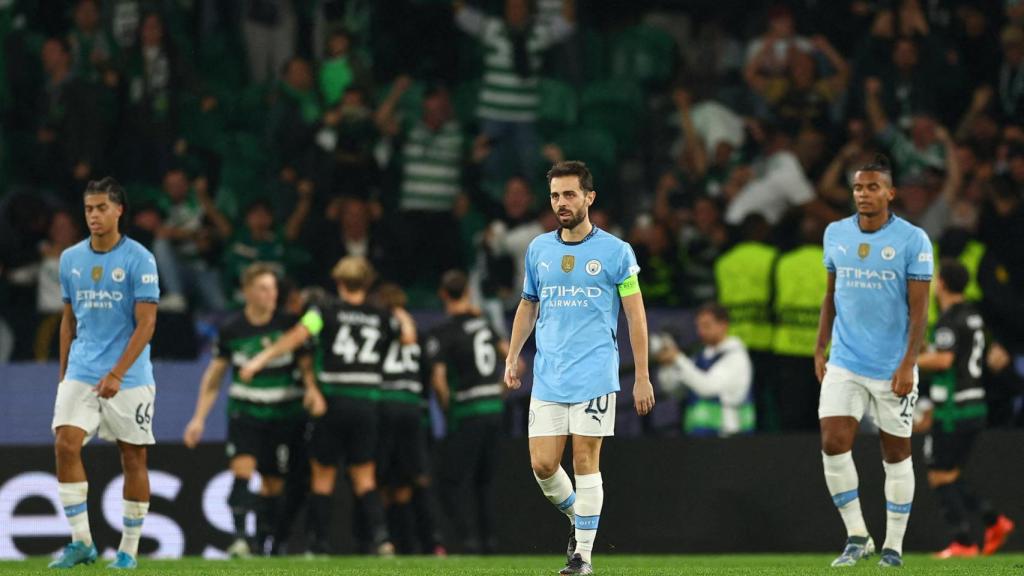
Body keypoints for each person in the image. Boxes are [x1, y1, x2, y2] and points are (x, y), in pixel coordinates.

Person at [505, 161, 655, 575]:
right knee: (542, 465)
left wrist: (641, 376)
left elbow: (635, 316)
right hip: (549, 372)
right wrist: (514, 354)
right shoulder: (539, 249)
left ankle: (582, 557)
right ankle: (578, 519)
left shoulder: (616, 252)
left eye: (570, 194)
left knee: (585, 460)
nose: (561, 203)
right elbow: (528, 304)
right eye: (555, 195)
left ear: (590, 197)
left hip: (594, 372)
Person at [240, 256, 414, 556]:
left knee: (322, 477)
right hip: (368, 403)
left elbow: (299, 335)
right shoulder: (381, 315)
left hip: (332, 401)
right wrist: (395, 310)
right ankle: (382, 540)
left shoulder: (325, 310)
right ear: (368, 282)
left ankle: (318, 545)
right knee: (365, 477)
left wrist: (260, 359)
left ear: (338, 281)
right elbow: (409, 338)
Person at [815, 154, 933, 568]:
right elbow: (831, 295)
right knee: (832, 442)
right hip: (845, 359)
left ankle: (894, 546)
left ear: (890, 193)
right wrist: (819, 347)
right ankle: (857, 536)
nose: (863, 194)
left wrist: (908, 363)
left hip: (892, 365)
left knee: (896, 453)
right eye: (858, 188)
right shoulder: (835, 234)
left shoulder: (913, 240)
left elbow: (919, 311)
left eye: (872, 187)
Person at [50, 177, 160, 569]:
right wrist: (64, 374)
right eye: (88, 209)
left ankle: (128, 549)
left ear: (118, 211)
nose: (93, 216)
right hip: (82, 369)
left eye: (100, 208)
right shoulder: (70, 259)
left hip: (129, 377)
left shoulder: (140, 259)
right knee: (65, 443)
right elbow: (68, 322)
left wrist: (117, 373)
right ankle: (82, 542)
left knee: (133, 457)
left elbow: (146, 324)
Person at [183, 263, 323, 557]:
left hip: (285, 413)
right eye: (262, 288)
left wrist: (311, 389)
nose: (270, 294)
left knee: (273, 484)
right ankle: (239, 538)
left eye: (272, 288)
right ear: (247, 292)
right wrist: (198, 418)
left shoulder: (289, 324)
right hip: (246, 411)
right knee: (242, 470)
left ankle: (262, 542)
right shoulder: (232, 329)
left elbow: (306, 364)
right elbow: (214, 377)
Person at [916, 260, 1015, 558]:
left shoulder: (949, 319)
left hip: (953, 409)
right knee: (949, 473)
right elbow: (995, 357)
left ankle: (964, 542)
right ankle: (993, 522)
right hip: (974, 404)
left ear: (943, 284)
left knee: (939, 474)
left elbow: (945, 361)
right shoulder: (974, 316)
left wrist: (907, 361)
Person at [427, 269, 508, 553]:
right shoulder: (484, 325)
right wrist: (498, 393)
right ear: (468, 293)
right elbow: (515, 363)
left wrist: (450, 408)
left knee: (448, 481)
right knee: (483, 482)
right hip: (495, 410)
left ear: (443, 294)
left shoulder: (444, 332)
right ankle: (490, 543)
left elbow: (438, 379)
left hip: (468, 409)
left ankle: (466, 540)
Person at [373, 283, 432, 554]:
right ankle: (421, 543)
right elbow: (426, 373)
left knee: (378, 476)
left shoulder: (378, 326)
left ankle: (381, 540)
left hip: (385, 403)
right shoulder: (416, 329)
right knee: (410, 478)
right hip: (412, 407)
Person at [653, 303, 754, 436]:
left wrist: (677, 358)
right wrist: (667, 365)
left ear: (723, 325)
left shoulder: (736, 356)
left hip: (729, 437)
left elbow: (707, 388)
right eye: (698, 326)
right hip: (698, 436)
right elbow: (674, 390)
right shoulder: (700, 356)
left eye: (706, 326)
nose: (700, 332)